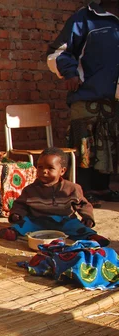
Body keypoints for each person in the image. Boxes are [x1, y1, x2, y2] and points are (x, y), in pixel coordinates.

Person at [47, 1, 119, 205]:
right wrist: (70, 73)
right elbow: (59, 51)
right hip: (87, 94)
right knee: (85, 143)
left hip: (114, 99)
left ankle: (102, 188)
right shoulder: (85, 18)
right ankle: (82, 191)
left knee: (108, 145)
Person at [0, 147, 110, 246]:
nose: (43, 171)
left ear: (62, 171)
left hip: (64, 221)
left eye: (50, 168)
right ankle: (12, 233)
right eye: (40, 167)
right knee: (24, 224)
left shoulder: (72, 188)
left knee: (78, 227)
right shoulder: (30, 190)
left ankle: (92, 237)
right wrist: (17, 214)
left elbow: (83, 205)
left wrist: (87, 217)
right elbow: (20, 204)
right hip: (37, 220)